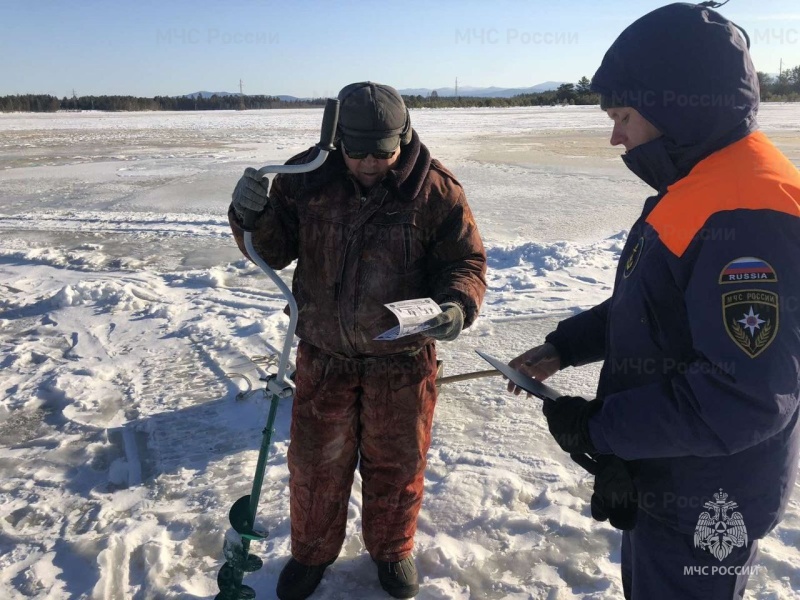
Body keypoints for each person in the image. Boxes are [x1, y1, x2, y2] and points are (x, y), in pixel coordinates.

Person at [508, 3, 800, 599]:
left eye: (623, 115)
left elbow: (742, 399)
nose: (615, 136)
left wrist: (600, 428)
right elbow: (654, 308)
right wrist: (566, 346)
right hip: (664, 476)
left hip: (707, 501)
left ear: (672, 106)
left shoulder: (750, 215)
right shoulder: (697, 183)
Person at [229, 81, 487, 599]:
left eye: (383, 152)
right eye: (357, 151)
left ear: (404, 137)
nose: (370, 163)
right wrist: (248, 215)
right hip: (324, 354)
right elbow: (272, 251)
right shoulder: (304, 179)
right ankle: (312, 553)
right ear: (336, 140)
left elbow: (465, 262)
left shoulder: (436, 190)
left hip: (403, 361)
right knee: (314, 464)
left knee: (398, 463)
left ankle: (392, 551)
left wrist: (458, 305)